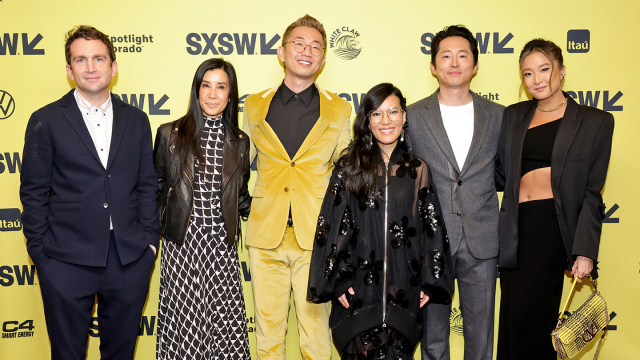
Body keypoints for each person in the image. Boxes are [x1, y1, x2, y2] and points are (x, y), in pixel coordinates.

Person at [20, 25, 158, 359]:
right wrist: (42, 254)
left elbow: (146, 185)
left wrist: (150, 245)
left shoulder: (137, 120)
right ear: (69, 70)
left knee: (121, 352)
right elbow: (34, 193)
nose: (91, 67)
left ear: (113, 66)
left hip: (128, 259)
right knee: (67, 353)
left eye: (99, 58)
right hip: (65, 261)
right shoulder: (46, 120)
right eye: (81, 60)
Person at [307, 83, 454, 360]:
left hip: (403, 296)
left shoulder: (417, 169)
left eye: (393, 112)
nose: (386, 121)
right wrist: (337, 281)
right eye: (377, 114)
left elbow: (431, 230)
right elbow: (331, 224)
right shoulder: (349, 167)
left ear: (404, 117)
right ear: (367, 121)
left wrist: (430, 283)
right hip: (358, 297)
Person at [495, 38, 614, 360]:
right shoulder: (514, 116)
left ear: (561, 70)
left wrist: (585, 251)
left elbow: (592, 192)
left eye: (544, 69)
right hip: (516, 229)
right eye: (528, 73)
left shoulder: (595, 122)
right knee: (512, 322)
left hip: (552, 230)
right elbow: (499, 174)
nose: (537, 79)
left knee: (534, 323)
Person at [242, 14, 351, 359]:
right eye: (299, 44)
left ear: (322, 59)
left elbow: (347, 171)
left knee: (316, 335)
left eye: (315, 46)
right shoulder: (254, 104)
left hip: (316, 236)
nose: (307, 51)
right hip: (265, 233)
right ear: (281, 52)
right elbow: (238, 162)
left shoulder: (339, 109)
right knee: (267, 335)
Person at [405, 25, 504, 360]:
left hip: (483, 238)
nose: (454, 62)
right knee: (433, 336)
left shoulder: (499, 116)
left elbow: (504, 173)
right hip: (431, 240)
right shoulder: (413, 116)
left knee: (481, 335)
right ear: (433, 66)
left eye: (463, 55)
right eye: (445, 56)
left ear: (475, 65)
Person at [152, 58, 251, 359]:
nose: (212, 94)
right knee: (185, 325)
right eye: (205, 86)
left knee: (224, 325)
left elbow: (241, 196)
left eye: (221, 87)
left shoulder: (241, 141)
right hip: (182, 244)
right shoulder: (169, 134)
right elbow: (154, 189)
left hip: (222, 246)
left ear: (231, 94)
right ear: (196, 91)